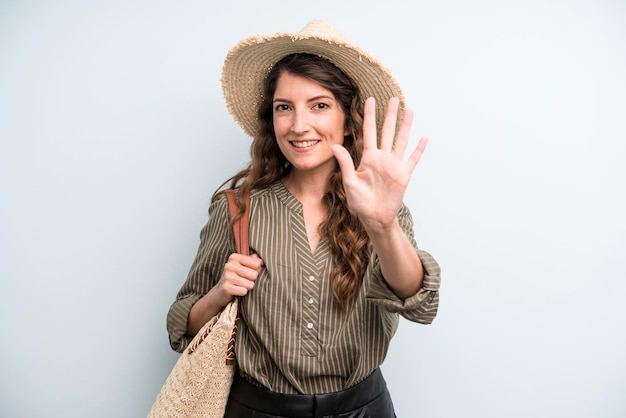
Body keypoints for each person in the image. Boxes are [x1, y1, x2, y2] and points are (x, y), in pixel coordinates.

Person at [166, 20, 441, 418]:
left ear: (348, 120)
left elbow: (421, 305)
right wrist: (220, 293)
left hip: (363, 410)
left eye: (320, 105)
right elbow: (181, 325)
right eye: (284, 108)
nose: (298, 125)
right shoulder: (238, 207)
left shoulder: (382, 208)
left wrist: (382, 224)